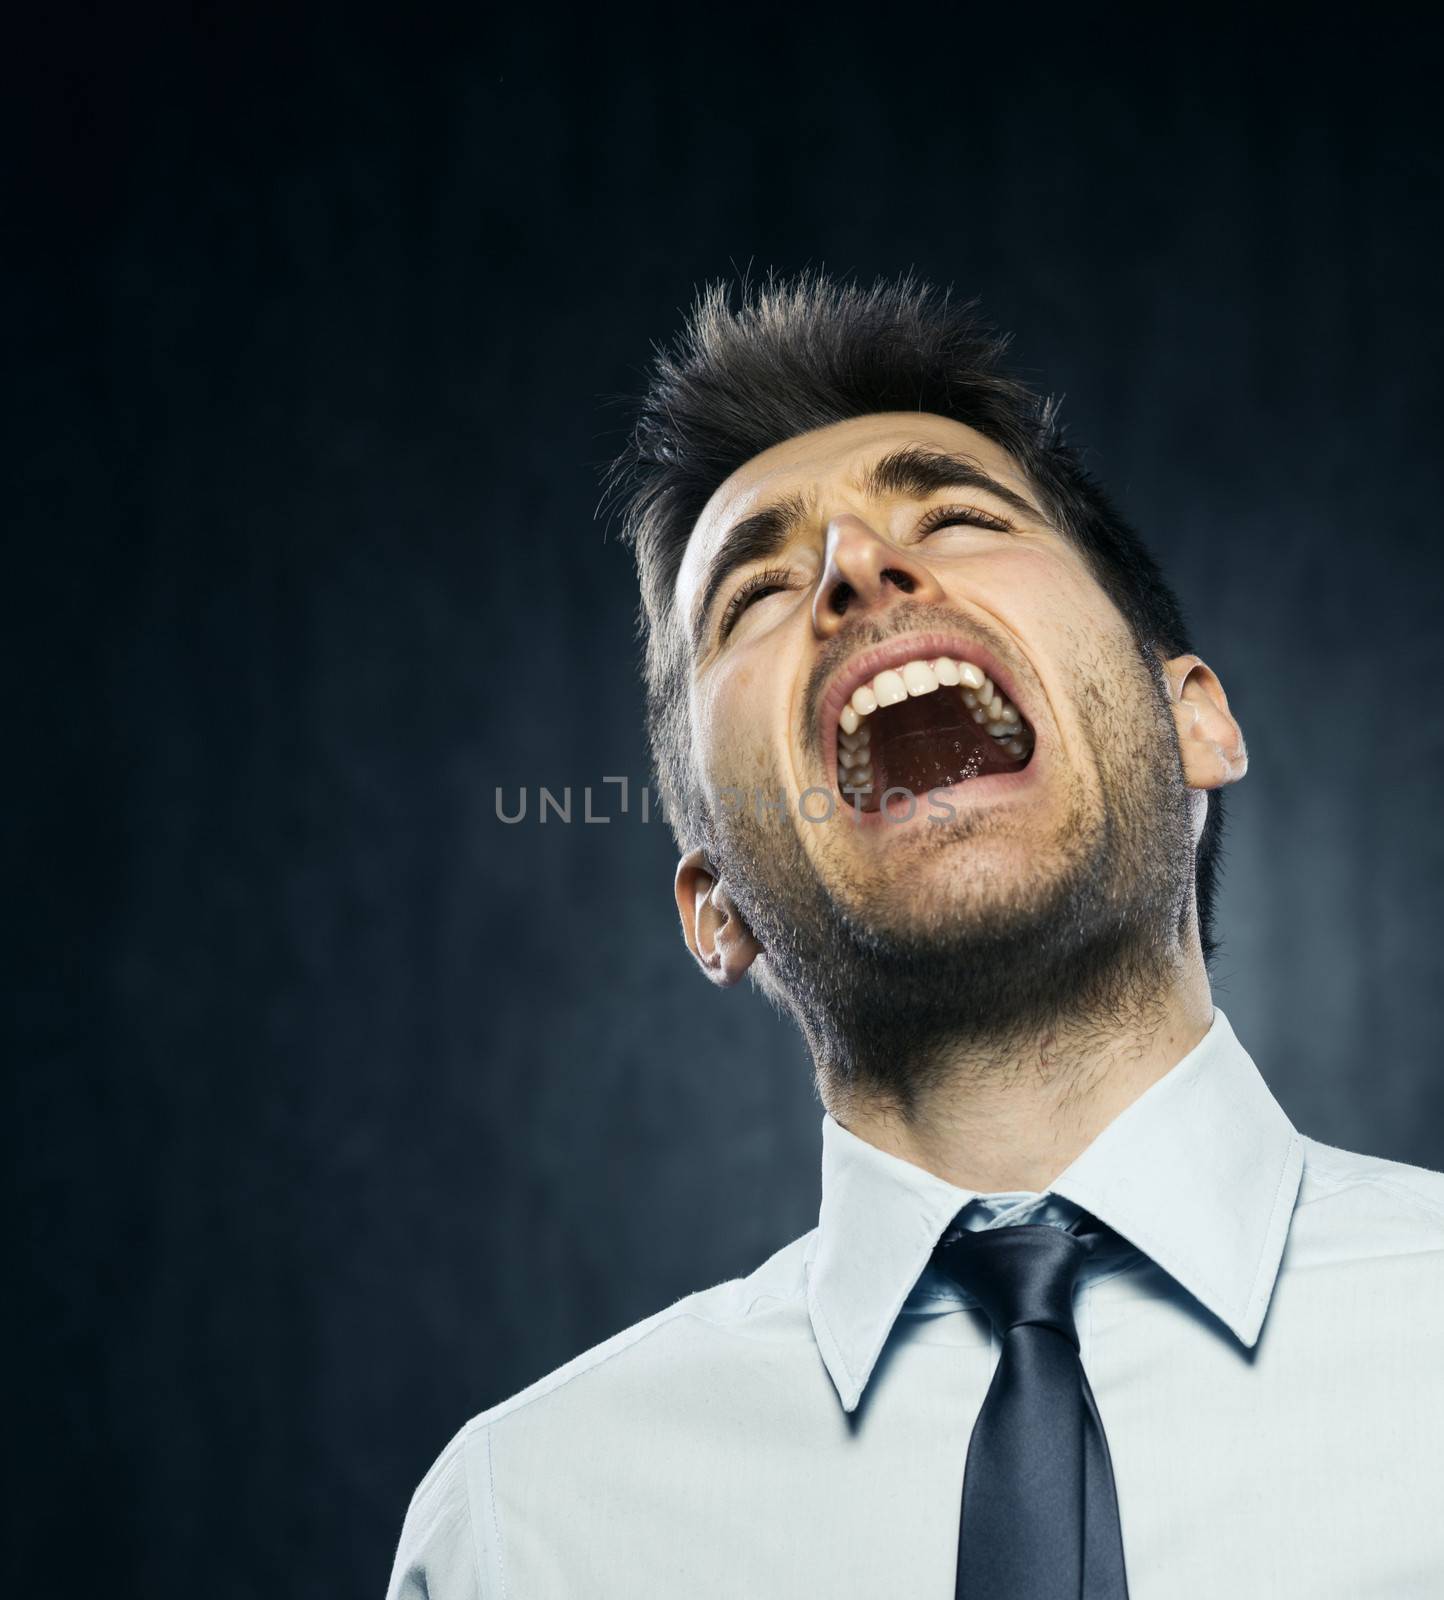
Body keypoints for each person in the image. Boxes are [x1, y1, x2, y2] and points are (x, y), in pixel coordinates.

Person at [385, 273, 1444, 1599]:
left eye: (954, 513)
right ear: (713, 908)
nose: (854, 569)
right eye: (755, 594)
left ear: (1197, 725)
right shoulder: (522, 1530)